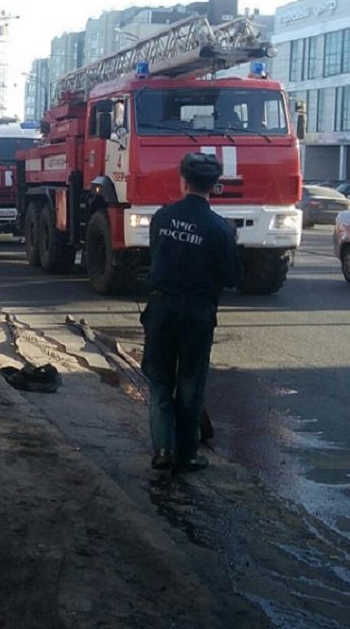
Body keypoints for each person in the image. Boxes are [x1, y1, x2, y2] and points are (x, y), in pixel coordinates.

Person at [141, 152, 242, 473]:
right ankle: (186, 455)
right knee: (190, 383)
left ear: (182, 181)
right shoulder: (220, 229)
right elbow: (232, 277)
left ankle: (162, 450)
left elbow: (154, 258)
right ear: (215, 186)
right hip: (197, 313)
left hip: (160, 308)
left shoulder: (162, 218)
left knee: (159, 381)